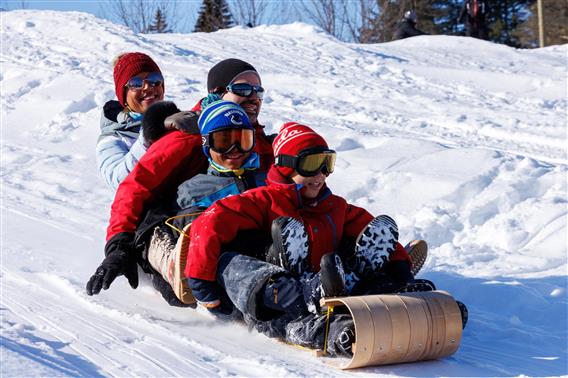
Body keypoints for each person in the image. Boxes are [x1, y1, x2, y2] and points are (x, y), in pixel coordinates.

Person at [185, 122, 436, 356]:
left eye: (327, 162)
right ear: (286, 166)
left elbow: (370, 230)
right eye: (312, 163)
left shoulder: (333, 206)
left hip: (329, 284)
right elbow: (211, 221)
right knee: (231, 263)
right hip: (277, 305)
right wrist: (201, 283)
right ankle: (328, 326)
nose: (321, 174)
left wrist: (399, 268)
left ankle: (385, 289)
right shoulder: (263, 201)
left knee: (353, 247)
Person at [85, 58, 275, 300]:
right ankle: (178, 267)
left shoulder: (258, 140)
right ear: (218, 92)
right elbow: (134, 187)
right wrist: (118, 247)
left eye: (258, 90)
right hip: (176, 228)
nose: (253, 96)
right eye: (242, 89)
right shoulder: (191, 132)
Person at [96, 52, 165, 190]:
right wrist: (147, 137)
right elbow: (118, 180)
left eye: (154, 79)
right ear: (123, 94)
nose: (148, 87)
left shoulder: (175, 121)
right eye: (136, 83)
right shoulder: (113, 138)